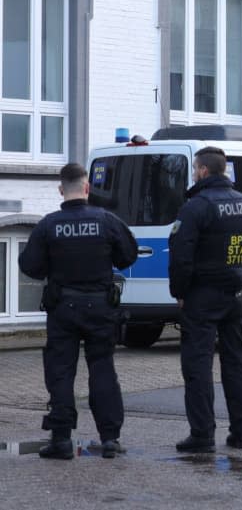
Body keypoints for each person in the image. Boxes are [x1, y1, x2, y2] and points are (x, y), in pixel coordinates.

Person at [18, 163, 138, 460]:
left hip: (63, 308)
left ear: (61, 190)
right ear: (87, 188)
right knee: (103, 369)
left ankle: (60, 440)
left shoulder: (48, 225)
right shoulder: (107, 220)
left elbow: (29, 265)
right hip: (100, 307)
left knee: (60, 372)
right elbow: (128, 256)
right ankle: (110, 439)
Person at [168, 146, 242, 453]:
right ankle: (241, 433)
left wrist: (180, 293)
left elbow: (181, 256)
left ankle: (202, 435)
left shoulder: (196, 207)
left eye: (194, 169)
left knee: (198, 365)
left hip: (201, 296)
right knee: (238, 363)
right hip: (236, 295)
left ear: (202, 171)